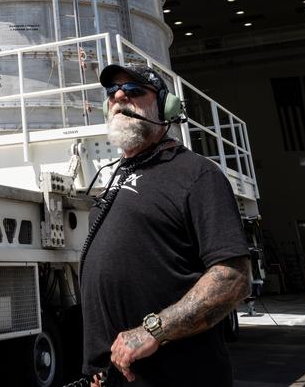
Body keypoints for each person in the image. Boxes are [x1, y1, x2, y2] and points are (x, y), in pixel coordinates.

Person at [80, 63, 252, 386]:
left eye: (133, 91)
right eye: (111, 93)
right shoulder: (113, 181)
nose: (119, 97)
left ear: (165, 107)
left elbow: (233, 278)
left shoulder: (196, 175)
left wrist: (153, 330)